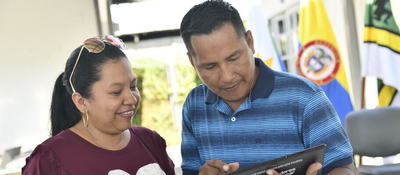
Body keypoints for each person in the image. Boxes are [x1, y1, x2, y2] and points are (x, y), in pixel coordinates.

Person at [179, 1, 356, 175]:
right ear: (192, 62)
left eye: (233, 58)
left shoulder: (304, 97)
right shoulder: (194, 105)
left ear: (250, 42)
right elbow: (191, 170)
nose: (226, 77)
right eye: (210, 67)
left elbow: (345, 167)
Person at [22, 36, 175, 175]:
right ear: (81, 102)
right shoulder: (48, 161)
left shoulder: (150, 141)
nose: (131, 98)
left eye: (133, 86)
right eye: (116, 92)